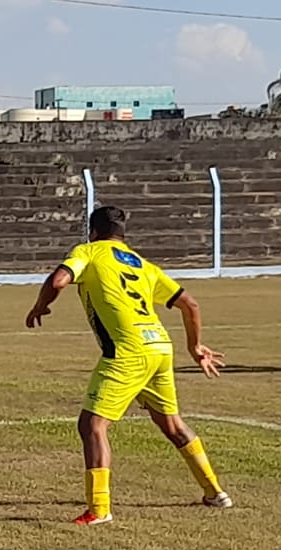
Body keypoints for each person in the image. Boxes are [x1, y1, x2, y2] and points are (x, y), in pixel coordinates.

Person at [24, 205, 231, 525]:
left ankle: (99, 509)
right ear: (122, 235)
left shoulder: (89, 252)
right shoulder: (142, 264)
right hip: (159, 347)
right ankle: (215, 492)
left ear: (92, 232)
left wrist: (39, 306)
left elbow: (59, 280)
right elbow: (190, 304)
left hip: (128, 351)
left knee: (92, 426)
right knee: (173, 426)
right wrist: (194, 346)